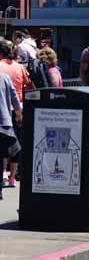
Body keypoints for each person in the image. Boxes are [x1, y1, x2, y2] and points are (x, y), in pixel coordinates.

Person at [0, 40, 32, 189]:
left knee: (3, 147)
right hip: (17, 109)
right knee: (15, 144)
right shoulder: (20, 67)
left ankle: (3, 174)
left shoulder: (1, 68)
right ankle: (13, 177)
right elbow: (28, 83)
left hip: (4, 110)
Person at [0, 71, 21, 200]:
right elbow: (14, 97)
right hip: (4, 123)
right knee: (1, 156)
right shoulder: (5, 77)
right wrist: (18, 114)